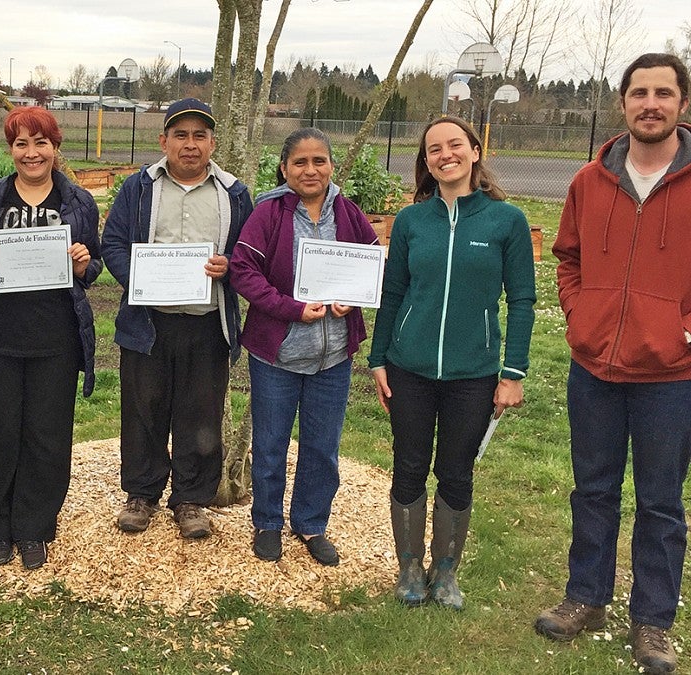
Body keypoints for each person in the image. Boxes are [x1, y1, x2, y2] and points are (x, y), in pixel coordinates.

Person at [534, 53, 691, 675]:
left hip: (671, 377)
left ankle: (653, 620)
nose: (650, 104)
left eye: (663, 93)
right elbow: (567, 258)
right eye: (638, 93)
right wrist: (580, 316)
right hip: (593, 368)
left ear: (682, 103)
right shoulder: (587, 181)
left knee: (660, 502)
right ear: (623, 102)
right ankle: (586, 598)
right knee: (593, 490)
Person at [368, 116, 535, 611]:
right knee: (409, 466)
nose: (445, 155)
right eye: (434, 149)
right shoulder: (412, 222)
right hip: (409, 368)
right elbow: (393, 292)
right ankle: (409, 570)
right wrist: (378, 358)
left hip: (474, 372)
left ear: (475, 151)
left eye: (455, 145)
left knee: (457, 471)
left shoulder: (507, 221)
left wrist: (513, 372)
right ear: (426, 161)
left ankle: (446, 573)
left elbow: (523, 300)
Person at [0, 106, 100, 570]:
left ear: (55, 148)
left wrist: (82, 264)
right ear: (10, 149)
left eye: (40, 143)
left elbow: (92, 265)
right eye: (21, 144)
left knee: (48, 437)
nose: (31, 153)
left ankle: (35, 528)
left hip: (55, 340)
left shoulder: (78, 203)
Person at [102, 98, 253, 539]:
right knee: (143, 410)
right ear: (163, 141)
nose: (191, 145)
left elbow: (247, 255)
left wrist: (230, 267)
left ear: (213, 142)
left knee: (200, 414)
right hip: (149, 323)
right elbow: (112, 243)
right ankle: (142, 494)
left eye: (200, 136)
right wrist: (143, 278)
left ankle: (191, 499)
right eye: (181, 135)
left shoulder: (234, 194)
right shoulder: (139, 188)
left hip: (207, 323)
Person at [230, 129, 379, 565]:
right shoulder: (269, 213)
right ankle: (268, 522)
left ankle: (312, 524)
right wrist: (291, 308)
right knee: (272, 442)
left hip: (333, 357)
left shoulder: (349, 214)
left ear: (331, 165)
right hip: (277, 353)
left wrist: (353, 296)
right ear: (284, 168)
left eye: (319, 161)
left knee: (322, 446)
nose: (310, 170)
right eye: (300, 162)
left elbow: (370, 267)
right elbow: (244, 270)